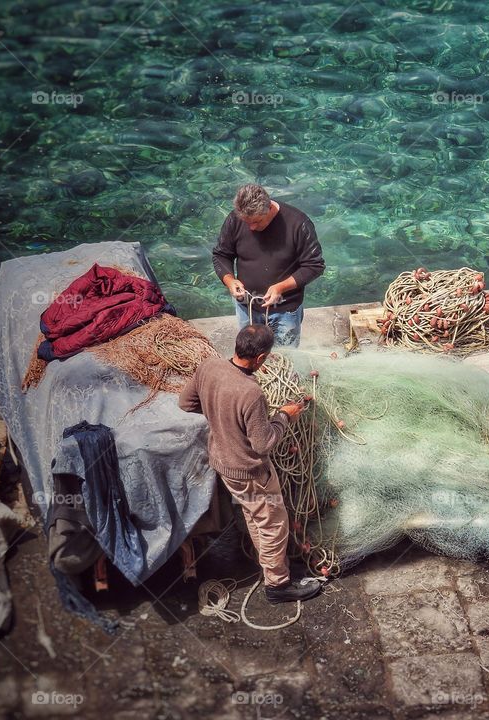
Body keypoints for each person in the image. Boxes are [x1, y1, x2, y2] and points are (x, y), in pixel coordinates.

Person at [178, 324, 321, 603]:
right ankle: (277, 587)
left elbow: (186, 403)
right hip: (251, 471)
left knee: (255, 517)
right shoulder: (250, 392)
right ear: (261, 359)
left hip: (223, 464)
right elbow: (263, 443)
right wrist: (285, 415)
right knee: (273, 525)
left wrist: (219, 417)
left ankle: (273, 568)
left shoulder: (209, 367)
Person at [212, 184, 325, 347]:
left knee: (286, 358)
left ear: (269, 208)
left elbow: (315, 265)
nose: (251, 228)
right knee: (250, 355)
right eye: (247, 222)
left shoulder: (299, 224)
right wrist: (229, 280)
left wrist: (281, 287)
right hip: (247, 307)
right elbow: (221, 254)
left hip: (285, 310)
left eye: (256, 222)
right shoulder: (235, 219)